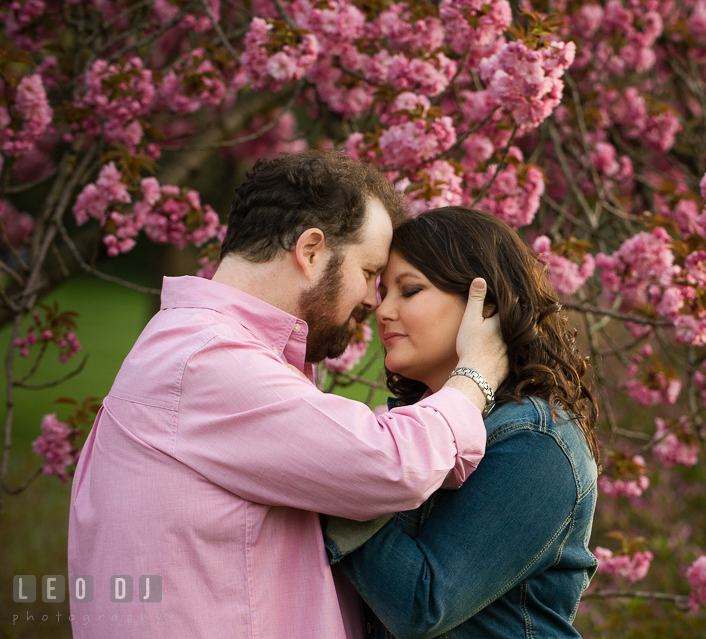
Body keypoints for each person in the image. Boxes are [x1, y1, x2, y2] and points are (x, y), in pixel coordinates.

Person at [67, 151, 507, 639]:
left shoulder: (204, 352)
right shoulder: (205, 359)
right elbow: (392, 464)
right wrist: (476, 375)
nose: (371, 301)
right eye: (367, 273)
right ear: (311, 250)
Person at [325, 206, 600, 639]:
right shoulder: (413, 427)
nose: (382, 311)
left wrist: (326, 475)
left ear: (485, 307)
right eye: (381, 293)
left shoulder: (534, 438)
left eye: (409, 290)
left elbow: (424, 605)